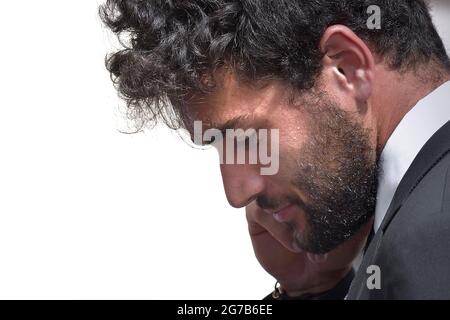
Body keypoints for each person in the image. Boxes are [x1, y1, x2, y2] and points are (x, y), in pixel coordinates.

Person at [100, 0, 450, 299]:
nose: (237, 193)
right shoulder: (414, 222)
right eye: (217, 145)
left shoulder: (430, 238)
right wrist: (316, 288)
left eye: (245, 139)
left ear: (347, 68)